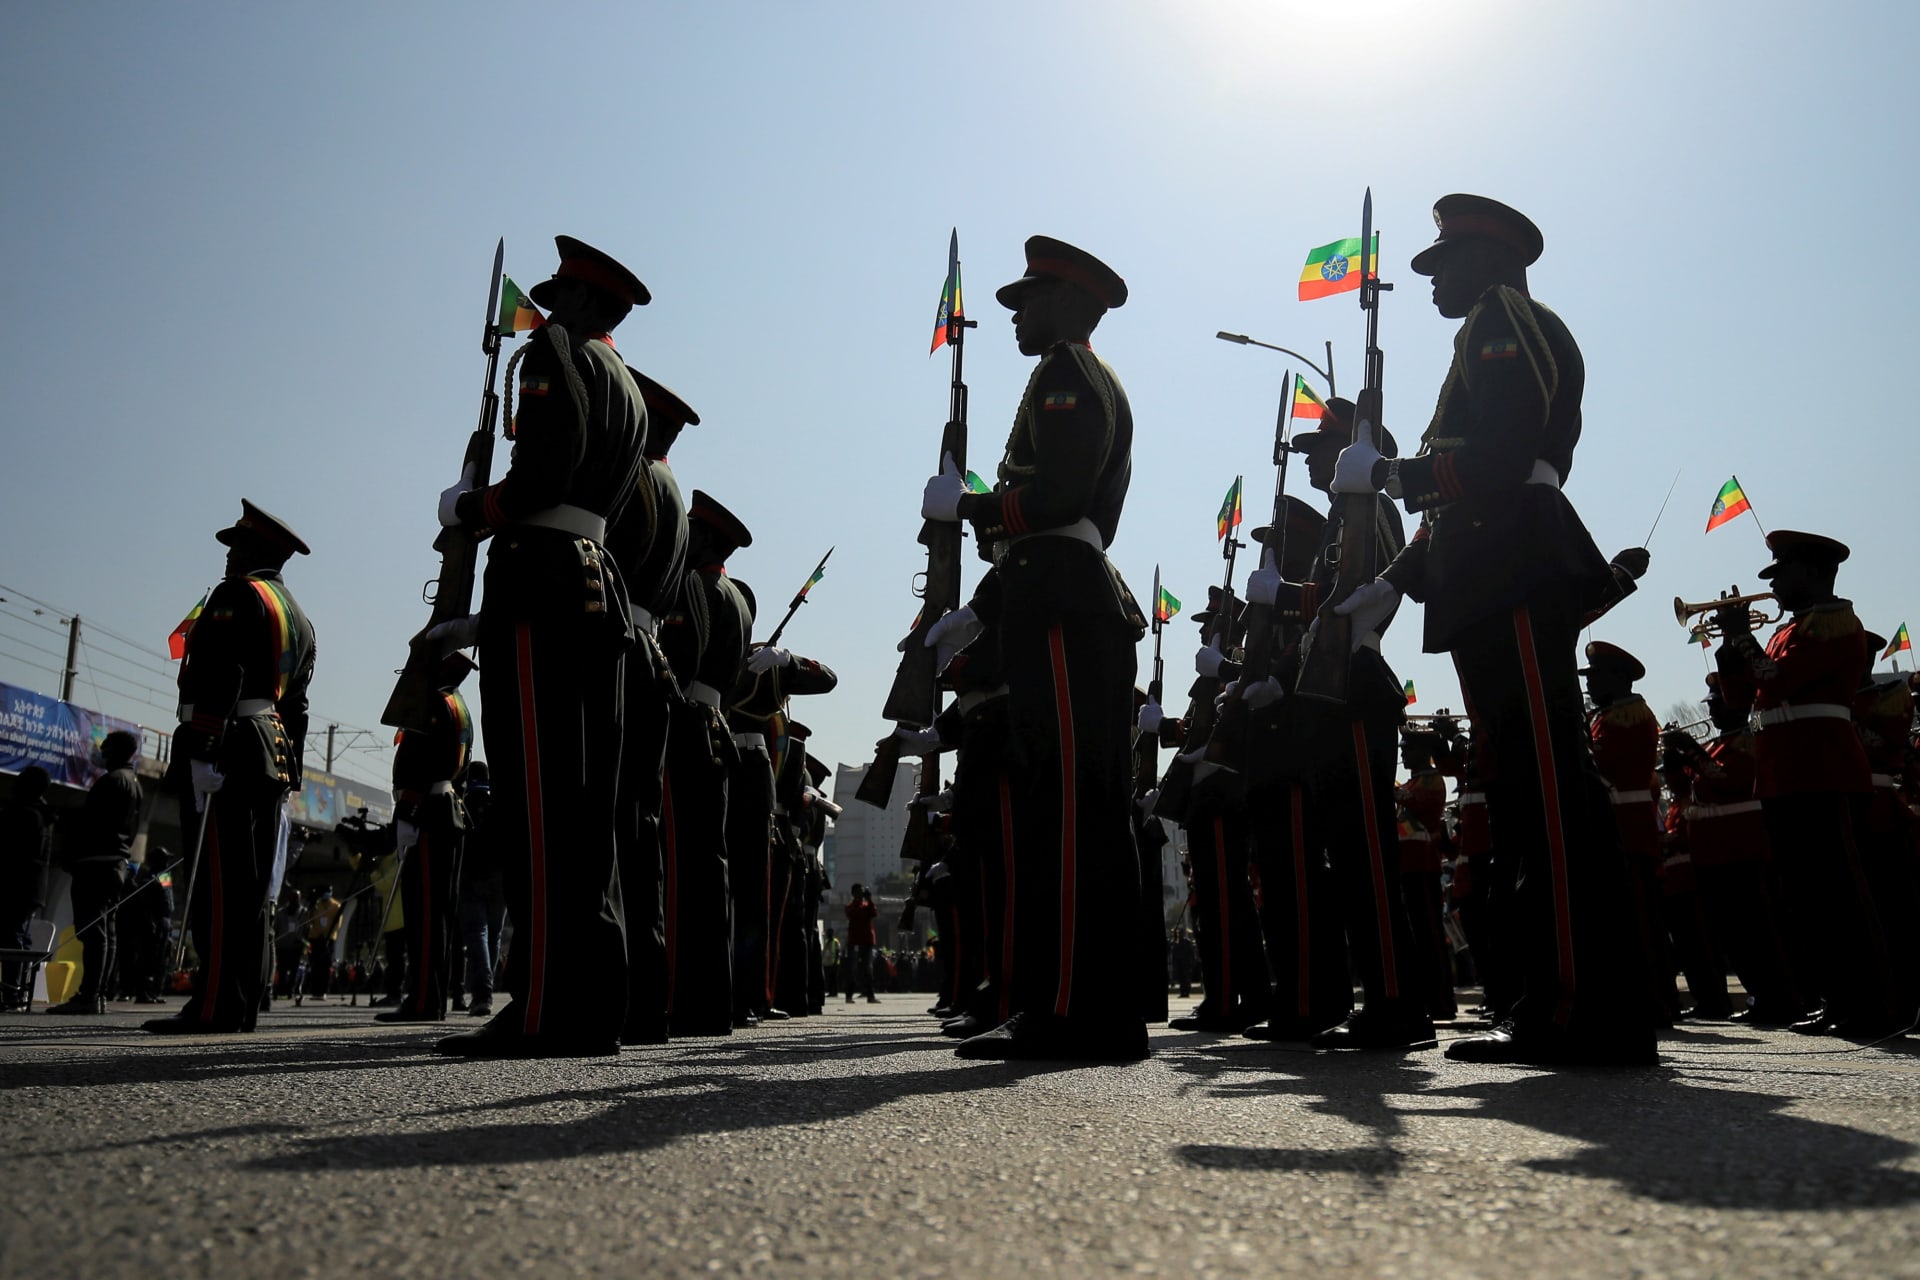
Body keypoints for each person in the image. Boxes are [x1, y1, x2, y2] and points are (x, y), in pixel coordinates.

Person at [1326, 195, 1657, 1066]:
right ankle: (1550, 997)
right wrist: (1394, 581)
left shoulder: (1501, 316)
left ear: (1491, 259)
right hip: (1490, 560)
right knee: (1523, 789)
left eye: (1447, 263)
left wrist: (1391, 473)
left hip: (1512, 557)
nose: (1434, 281)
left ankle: (1578, 1007)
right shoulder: (1488, 324)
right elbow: (1461, 496)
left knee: (1545, 784)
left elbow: (1502, 459)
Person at [920, 236, 1148, 1062]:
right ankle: (1085, 1007)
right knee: (1072, 807)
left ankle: (1072, 1010)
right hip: (1055, 588)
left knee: (1070, 810)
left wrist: (972, 508)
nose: (1017, 314)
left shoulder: (1067, 373)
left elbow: (1056, 496)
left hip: (1061, 595)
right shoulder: (1073, 372)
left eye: (1031, 300)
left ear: (1071, 303)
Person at [432, 236, 650, 1059]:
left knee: (537, 802)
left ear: (586, 304)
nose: (546, 310)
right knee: (586, 810)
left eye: (561, 296)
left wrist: (469, 510)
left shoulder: (554, 354)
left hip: (542, 579)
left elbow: (540, 479)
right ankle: (592, 1005)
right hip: (592, 581)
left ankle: (544, 1010)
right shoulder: (626, 382)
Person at [1713, 530, 1901, 1037]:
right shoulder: (1788, 631)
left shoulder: (1835, 622)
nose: (1773, 584)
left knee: (1841, 894)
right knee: (1807, 900)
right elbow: (1740, 700)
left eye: (1782, 573)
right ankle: (1837, 999)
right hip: (1783, 775)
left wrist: (1742, 638)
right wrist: (1729, 647)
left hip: (1823, 769)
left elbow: (1777, 681)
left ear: (1814, 572)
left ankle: (1874, 1005)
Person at [146, 501, 316, 1035]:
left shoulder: (237, 594)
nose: (229, 554)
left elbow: (221, 672)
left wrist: (203, 748)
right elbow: (297, 707)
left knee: (218, 886)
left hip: (227, 745)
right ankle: (240, 1003)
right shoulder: (299, 617)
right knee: (249, 889)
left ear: (257, 549)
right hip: (268, 752)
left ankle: (215, 1005)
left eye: (237, 544)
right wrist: (290, 773)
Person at [606, 369, 694, 1045]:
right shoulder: (673, 493)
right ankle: (646, 998)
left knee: (608, 824)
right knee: (641, 833)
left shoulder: (632, 479)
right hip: (652, 654)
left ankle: (615, 989)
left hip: (617, 644)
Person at [658, 491, 753, 1036]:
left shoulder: (694, 585)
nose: (685, 537)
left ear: (709, 539)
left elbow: (677, 662)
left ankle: (679, 998)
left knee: (679, 867)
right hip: (715, 726)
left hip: (687, 723)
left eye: (693, 531)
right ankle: (713, 1002)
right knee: (709, 868)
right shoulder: (738, 597)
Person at [381, 651, 476, 1022]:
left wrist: (407, 812)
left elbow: (418, 760)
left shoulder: (432, 702)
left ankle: (422, 1000)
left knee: (424, 914)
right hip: (447, 810)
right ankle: (431, 997)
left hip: (427, 814)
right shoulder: (457, 703)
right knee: (438, 914)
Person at [47, 730, 142, 1014]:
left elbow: (90, 826)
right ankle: (98, 994)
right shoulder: (133, 783)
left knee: (92, 931)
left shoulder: (111, 782)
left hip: (96, 865)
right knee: (106, 933)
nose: (100, 752)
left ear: (114, 751)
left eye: (105, 748)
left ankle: (88, 995)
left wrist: (71, 855)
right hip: (116, 865)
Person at [1, 766, 55, 1009]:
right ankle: (16, 991)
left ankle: (11, 992)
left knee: (12, 937)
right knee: (21, 937)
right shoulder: (43, 813)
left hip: (16, 885)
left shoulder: (24, 813)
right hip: (32, 888)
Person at [456, 761, 504, 1018]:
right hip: (500, 879)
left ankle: (482, 994)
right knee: (493, 936)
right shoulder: (500, 802)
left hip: (470, 875)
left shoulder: (462, 803)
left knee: (477, 935)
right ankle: (486, 991)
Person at [844, 885, 877, 1004]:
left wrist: (869, 900)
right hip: (854, 941)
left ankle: (870, 995)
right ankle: (849, 996)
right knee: (852, 969)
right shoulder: (850, 906)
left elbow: (874, 913)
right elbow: (852, 914)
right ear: (853, 894)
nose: (860, 894)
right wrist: (858, 902)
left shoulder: (867, 906)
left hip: (867, 941)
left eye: (862, 892)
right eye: (858, 892)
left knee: (868, 969)